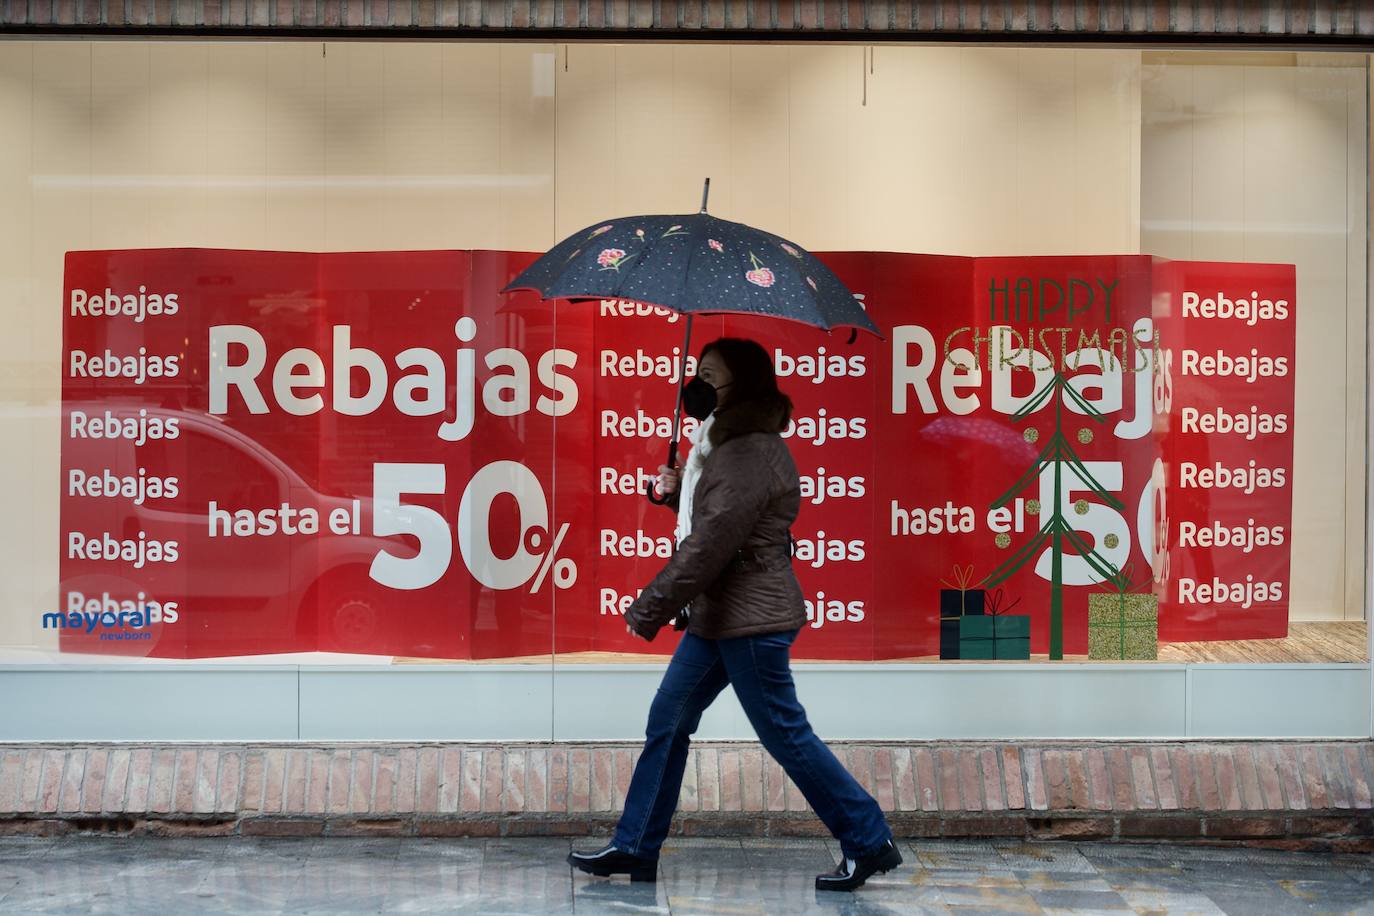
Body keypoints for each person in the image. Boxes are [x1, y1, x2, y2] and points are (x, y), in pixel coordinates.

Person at [567, 337, 902, 892]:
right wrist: (678, 495)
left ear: (740, 384)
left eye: (709, 375)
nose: (696, 384)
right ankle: (635, 846)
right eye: (695, 371)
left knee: (785, 735)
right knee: (668, 721)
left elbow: (713, 544)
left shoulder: (747, 449)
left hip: (749, 617)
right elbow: (720, 517)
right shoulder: (724, 446)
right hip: (723, 614)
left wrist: (650, 607)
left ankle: (868, 839)